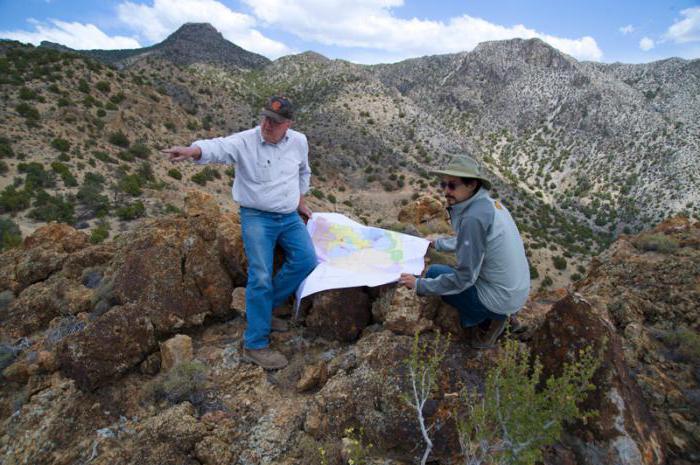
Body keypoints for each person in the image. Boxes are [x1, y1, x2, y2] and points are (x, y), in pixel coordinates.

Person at [163, 96, 317, 369]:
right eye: (266, 117)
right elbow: (219, 147)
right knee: (260, 275)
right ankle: (255, 344)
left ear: (288, 124)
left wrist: (301, 200)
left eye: (276, 121)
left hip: (289, 216)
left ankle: (264, 310)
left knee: (306, 260)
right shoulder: (246, 140)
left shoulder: (299, 141)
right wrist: (193, 150)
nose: (268, 124)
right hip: (257, 217)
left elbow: (304, 172)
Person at [398, 155, 530, 349]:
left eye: (452, 185)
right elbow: (474, 242)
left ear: (471, 185)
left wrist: (419, 285)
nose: (445, 191)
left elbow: (465, 278)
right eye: (443, 185)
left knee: (435, 273)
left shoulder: (473, 218)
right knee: (445, 272)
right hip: (515, 291)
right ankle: (505, 314)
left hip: (501, 299)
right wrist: (438, 245)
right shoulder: (491, 205)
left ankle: (489, 321)